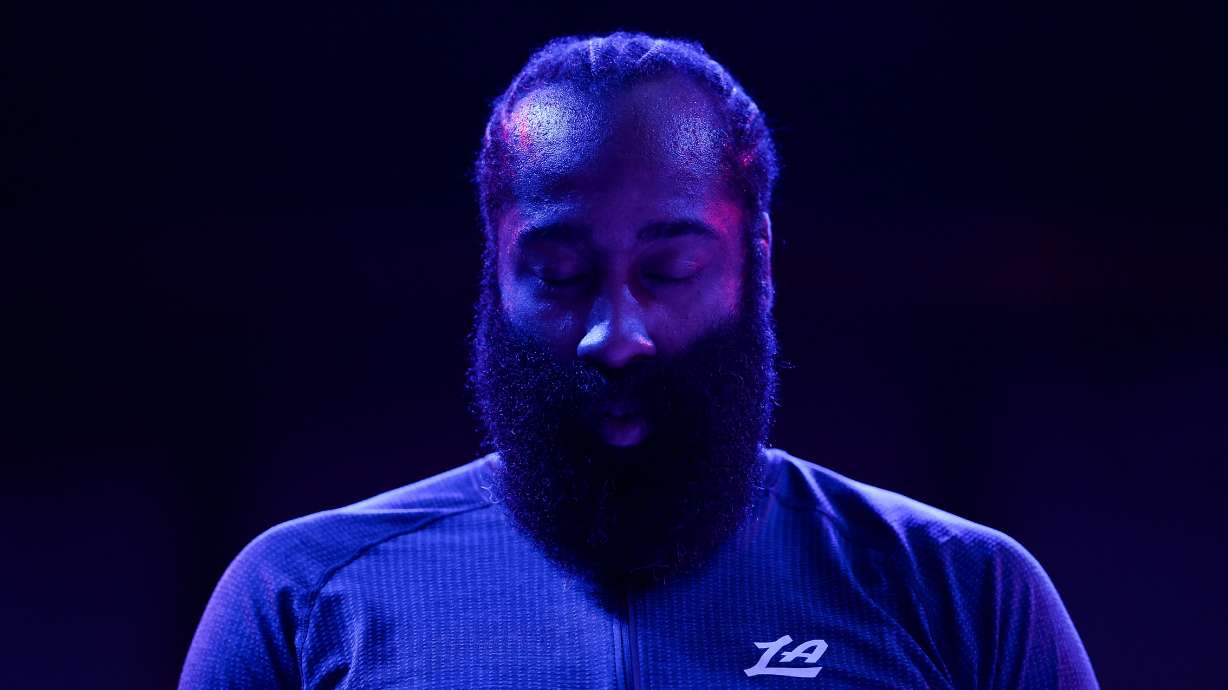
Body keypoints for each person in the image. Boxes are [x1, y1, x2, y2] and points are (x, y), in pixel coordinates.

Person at [179, 31, 1099, 688]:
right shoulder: (301, 603)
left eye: (669, 269)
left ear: (758, 260)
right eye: (560, 272)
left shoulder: (962, 594)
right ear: (495, 268)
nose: (616, 333)